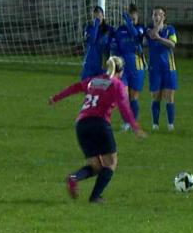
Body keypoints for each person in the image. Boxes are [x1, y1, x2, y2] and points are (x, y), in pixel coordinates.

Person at [49, 56, 146, 204]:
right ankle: (95, 197)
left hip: (81, 125)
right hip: (99, 124)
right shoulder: (117, 84)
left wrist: (56, 98)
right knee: (111, 162)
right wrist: (134, 126)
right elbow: (124, 107)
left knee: (96, 166)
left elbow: (75, 87)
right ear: (121, 71)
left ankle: (74, 178)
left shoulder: (94, 80)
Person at [111, 4, 147, 131]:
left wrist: (129, 23)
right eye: (129, 14)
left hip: (137, 66)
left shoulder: (141, 28)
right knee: (123, 95)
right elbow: (115, 47)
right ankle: (126, 122)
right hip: (123, 68)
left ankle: (133, 122)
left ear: (137, 16)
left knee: (133, 96)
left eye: (134, 15)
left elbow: (136, 36)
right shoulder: (119, 30)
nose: (132, 17)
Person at [146, 6, 178, 131]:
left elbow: (172, 44)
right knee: (156, 96)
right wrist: (158, 27)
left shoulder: (170, 29)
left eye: (159, 14)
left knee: (169, 97)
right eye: (154, 14)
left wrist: (160, 38)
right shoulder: (148, 30)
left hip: (169, 68)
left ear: (164, 17)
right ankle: (155, 124)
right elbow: (153, 35)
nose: (156, 16)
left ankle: (170, 124)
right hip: (154, 68)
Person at [81, 6, 113, 79]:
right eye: (96, 15)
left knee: (101, 88)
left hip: (102, 64)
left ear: (103, 16)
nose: (98, 17)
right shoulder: (88, 28)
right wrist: (96, 25)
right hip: (89, 62)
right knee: (87, 87)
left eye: (99, 15)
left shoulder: (109, 29)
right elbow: (92, 40)